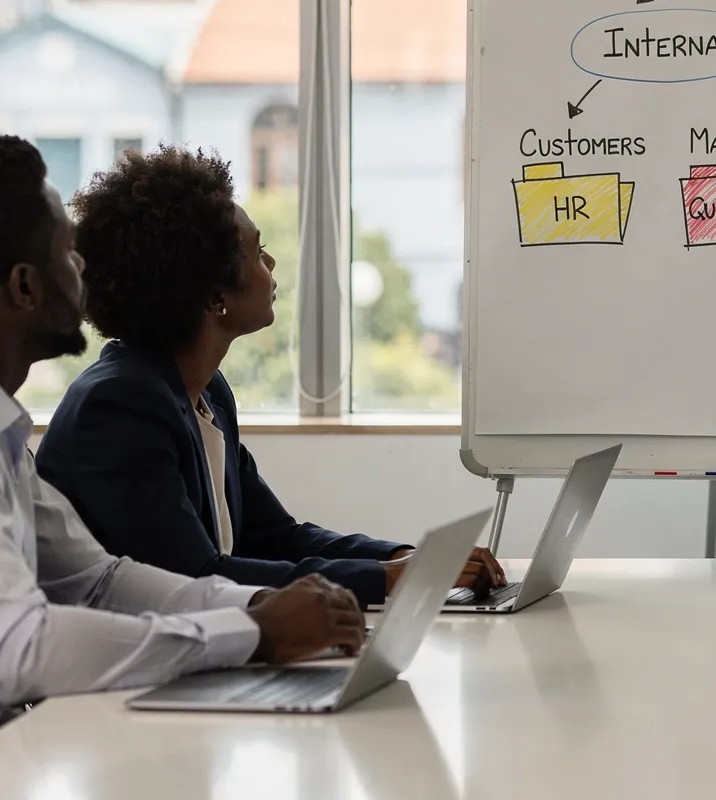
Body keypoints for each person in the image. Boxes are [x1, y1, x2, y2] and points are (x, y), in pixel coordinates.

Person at [0, 137, 365, 766]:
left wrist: (256, 606)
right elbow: (17, 651)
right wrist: (252, 634)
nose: (85, 270)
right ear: (24, 287)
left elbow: (93, 582)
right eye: (67, 253)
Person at [35, 147, 500, 610]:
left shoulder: (206, 392)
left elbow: (276, 538)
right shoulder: (119, 406)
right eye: (258, 253)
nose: (271, 264)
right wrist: (389, 579)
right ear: (216, 296)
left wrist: (405, 558)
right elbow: (195, 576)